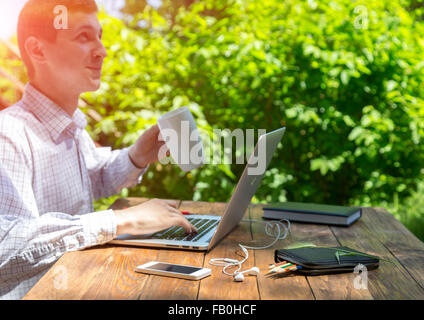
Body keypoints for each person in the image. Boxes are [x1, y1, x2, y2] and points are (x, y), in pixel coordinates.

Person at [0, 0, 196, 299]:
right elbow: (4, 247)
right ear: (38, 50)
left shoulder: (69, 127)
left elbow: (93, 178)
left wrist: (136, 155)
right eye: (83, 36)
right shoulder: (9, 135)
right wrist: (120, 220)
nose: (101, 50)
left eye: (99, 36)